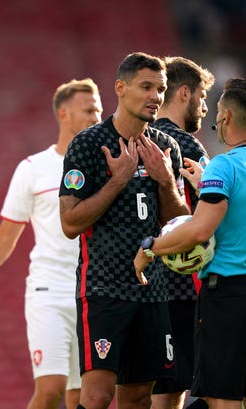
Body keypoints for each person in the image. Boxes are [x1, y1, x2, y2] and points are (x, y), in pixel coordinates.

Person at [134, 78, 246, 409]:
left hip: (227, 296)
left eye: (218, 111)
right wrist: (205, 184)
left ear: (229, 117)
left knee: (221, 402)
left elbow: (199, 231)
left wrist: (151, 247)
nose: (214, 118)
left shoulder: (224, 164)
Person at [59, 52, 189, 409]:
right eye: (146, 87)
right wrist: (117, 181)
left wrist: (166, 182)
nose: (155, 97)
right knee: (98, 396)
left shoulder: (167, 147)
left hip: (153, 291)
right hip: (103, 288)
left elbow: (178, 223)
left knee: (136, 398)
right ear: (120, 88)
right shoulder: (88, 144)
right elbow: (69, 223)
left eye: (160, 89)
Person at [0, 78, 103, 409]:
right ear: (63, 114)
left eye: (99, 110)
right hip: (49, 292)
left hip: (94, 294)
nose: (96, 117)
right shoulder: (33, 169)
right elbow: (2, 241)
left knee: (84, 397)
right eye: (88, 110)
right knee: (51, 390)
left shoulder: (109, 167)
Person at [149, 55, 214, 409]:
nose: (205, 108)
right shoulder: (188, 147)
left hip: (143, 280)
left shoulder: (140, 138)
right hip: (181, 283)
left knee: (154, 389)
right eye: (203, 97)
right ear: (184, 93)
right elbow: (202, 215)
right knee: (183, 390)